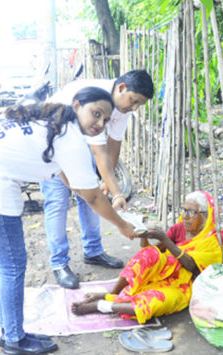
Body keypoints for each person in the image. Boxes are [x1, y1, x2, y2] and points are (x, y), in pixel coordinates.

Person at [0, 87, 136, 355]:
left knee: (6, 262)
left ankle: (9, 332)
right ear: (77, 105)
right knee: (13, 263)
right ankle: (14, 339)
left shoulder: (56, 122)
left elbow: (69, 178)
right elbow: (92, 196)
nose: (100, 124)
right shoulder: (70, 138)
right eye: (96, 114)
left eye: (106, 120)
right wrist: (122, 225)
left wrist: (80, 190)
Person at [42, 70, 154, 289]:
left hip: (80, 144)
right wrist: (117, 192)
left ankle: (93, 251)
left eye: (139, 105)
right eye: (134, 101)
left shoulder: (122, 107)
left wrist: (108, 185)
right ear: (121, 88)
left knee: (93, 195)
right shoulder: (98, 98)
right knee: (58, 202)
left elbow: (113, 145)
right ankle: (59, 263)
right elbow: (99, 153)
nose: (134, 108)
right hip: (54, 145)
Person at [71, 191, 223, 323]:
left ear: (205, 215)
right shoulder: (179, 229)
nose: (185, 216)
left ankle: (102, 306)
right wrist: (144, 236)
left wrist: (165, 239)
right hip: (162, 274)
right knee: (147, 255)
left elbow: (191, 266)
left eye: (191, 212)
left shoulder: (212, 241)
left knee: (157, 301)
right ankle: (112, 293)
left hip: (183, 286)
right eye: (184, 210)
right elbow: (153, 253)